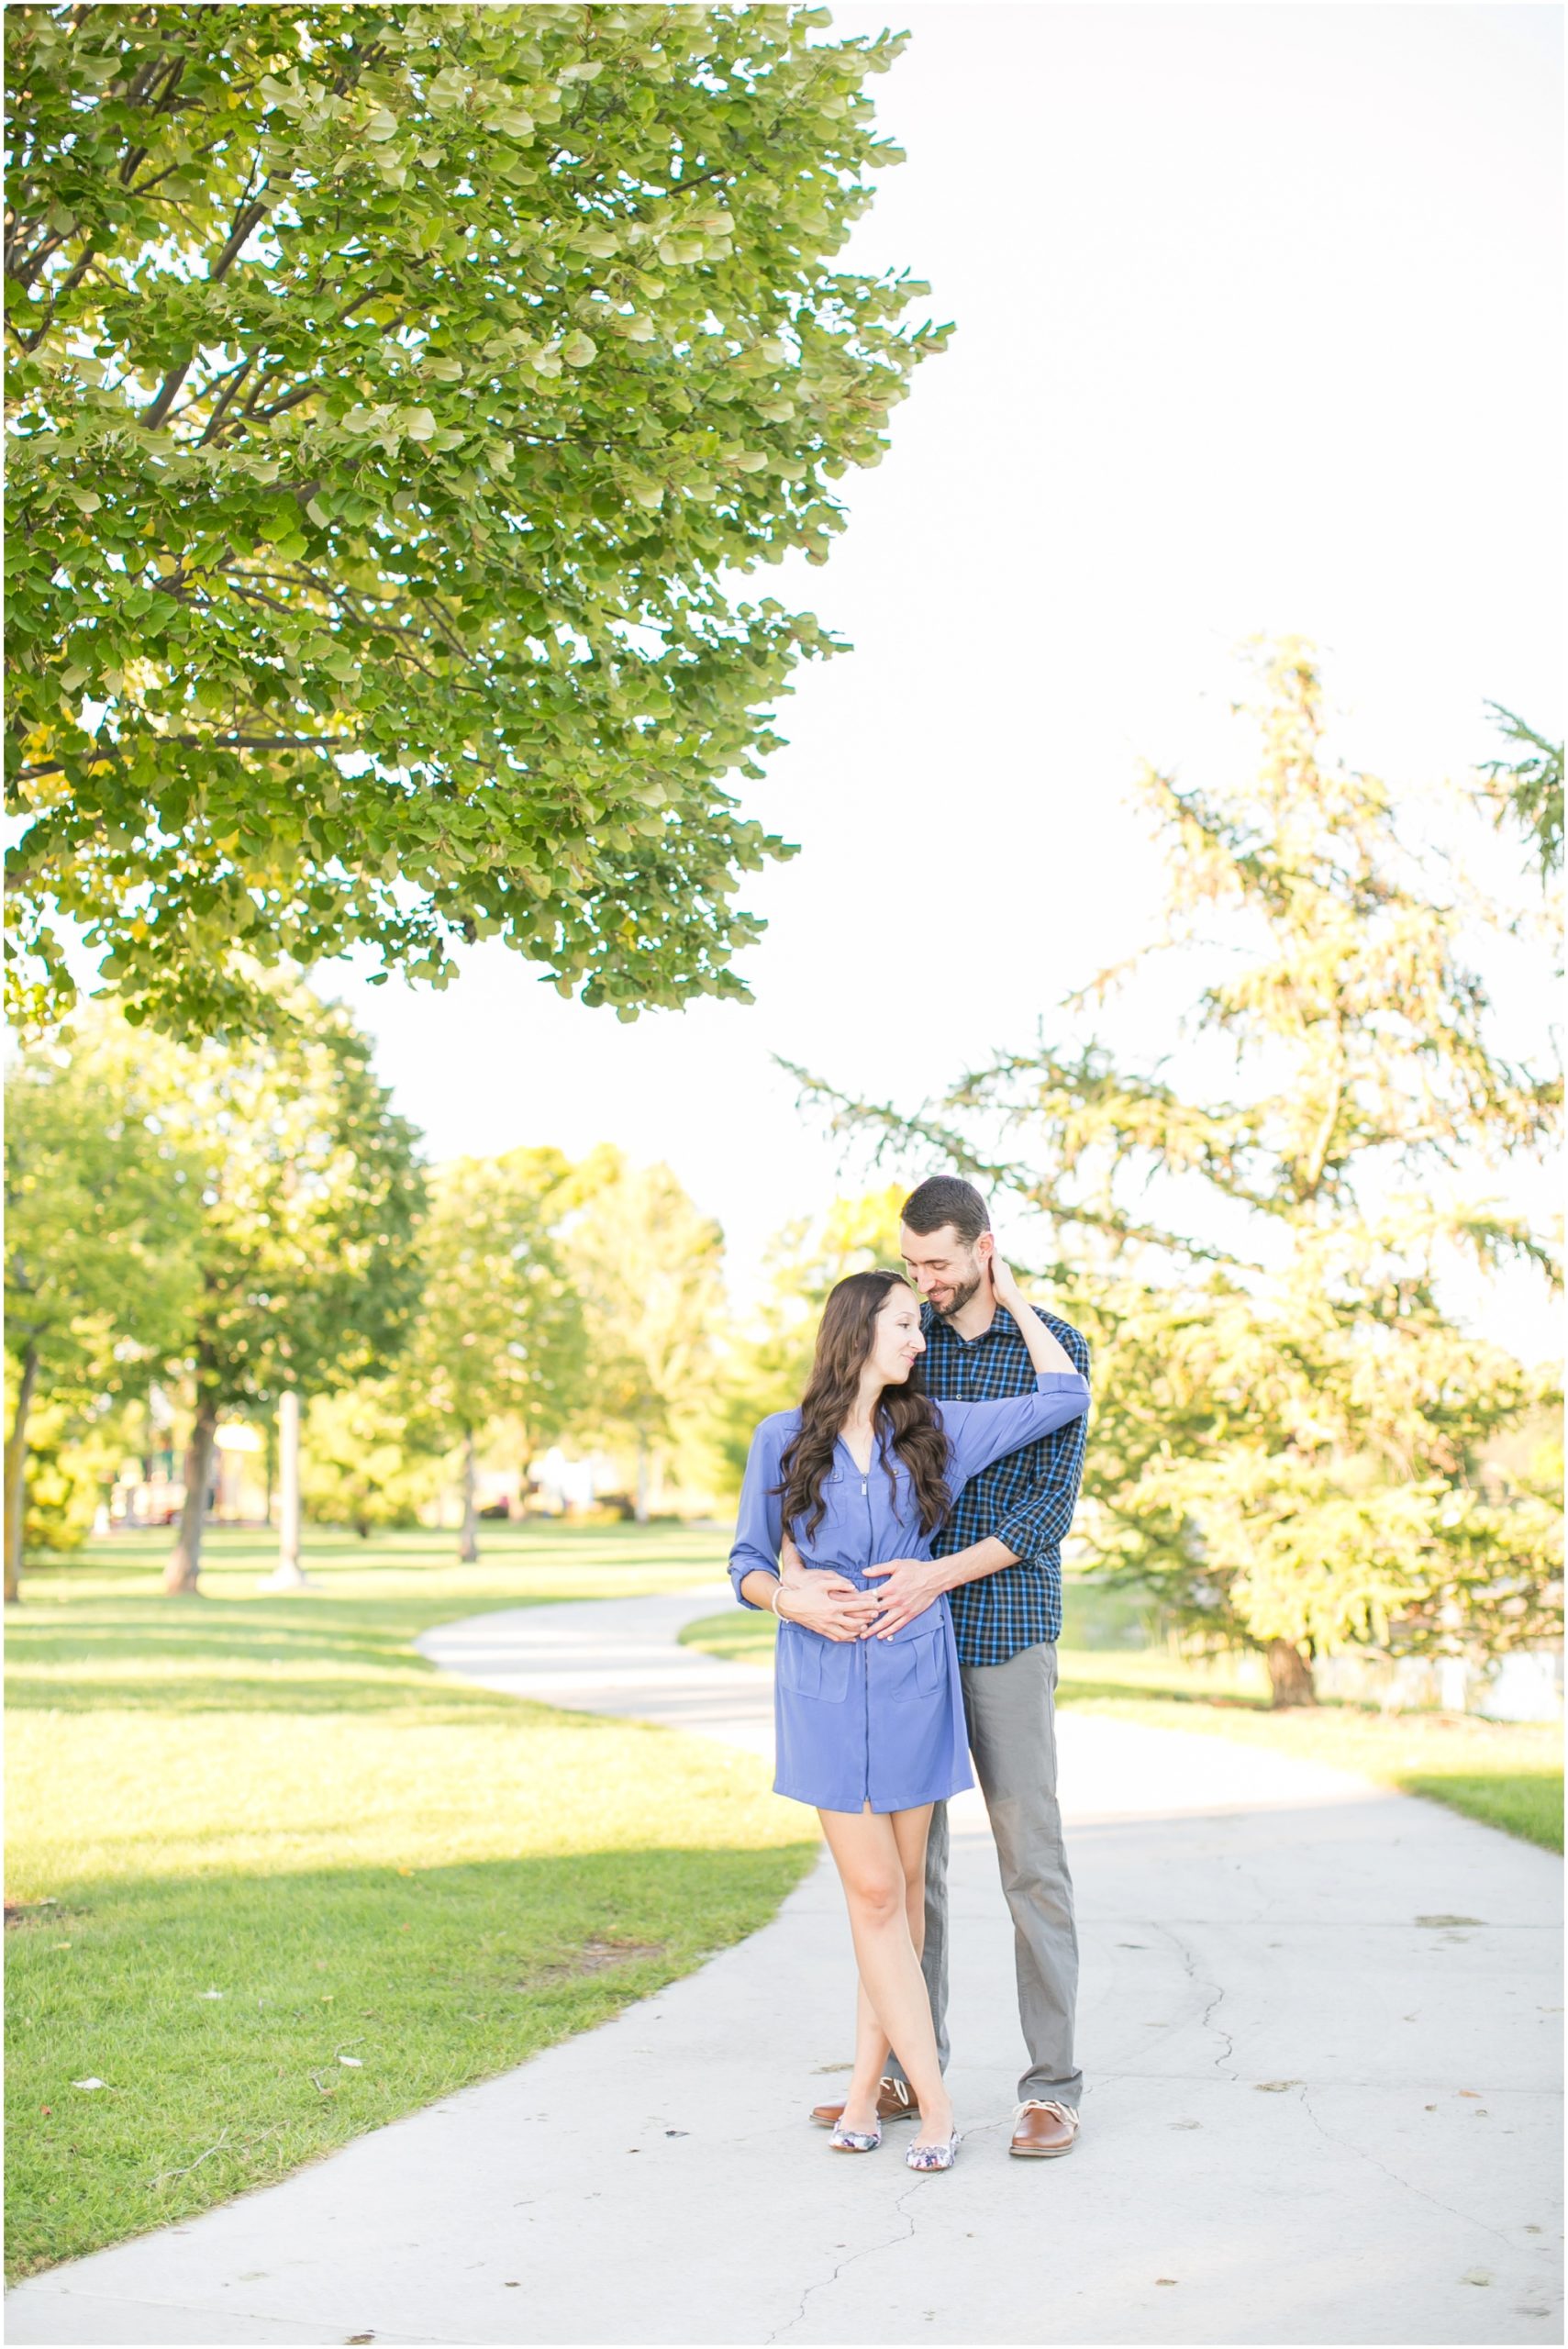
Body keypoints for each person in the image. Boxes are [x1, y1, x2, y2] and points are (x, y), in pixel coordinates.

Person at [729, 1258, 1090, 2173]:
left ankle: (866, 2093)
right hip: (819, 1686)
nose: (919, 1337)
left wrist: (1008, 1295)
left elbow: (1063, 1393)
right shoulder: (779, 1438)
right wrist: (789, 1601)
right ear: (859, 1333)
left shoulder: (933, 1432)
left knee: (900, 1898)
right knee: (878, 1894)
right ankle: (933, 2105)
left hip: (911, 1685)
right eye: (902, 1322)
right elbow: (742, 1564)